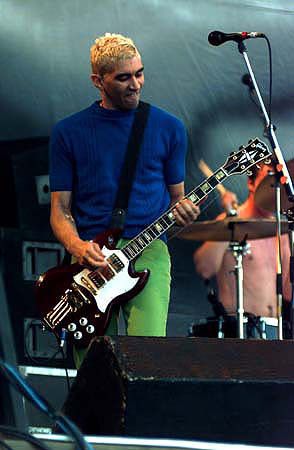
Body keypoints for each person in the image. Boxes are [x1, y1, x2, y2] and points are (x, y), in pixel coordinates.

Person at [49, 33, 199, 364]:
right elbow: (60, 210)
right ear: (97, 81)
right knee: (92, 372)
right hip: (90, 259)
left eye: (139, 73)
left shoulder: (169, 128)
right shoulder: (68, 132)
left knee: (147, 362)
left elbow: (177, 203)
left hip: (147, 252)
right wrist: (77, 248)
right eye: (123, 77)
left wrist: (184, 214)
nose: (136, 84)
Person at [193, 163, 291, 334]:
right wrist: (231, 221)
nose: (275, 185)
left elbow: (288, 292)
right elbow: (204, 268)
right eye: (268, 176)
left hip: (274, 330)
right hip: (240, 329)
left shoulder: (280, 231)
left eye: (278, 178)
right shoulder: (229, 221)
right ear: (251, 183)